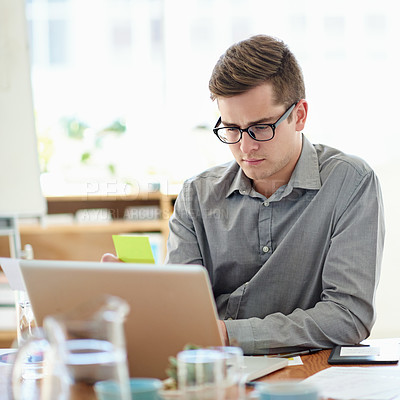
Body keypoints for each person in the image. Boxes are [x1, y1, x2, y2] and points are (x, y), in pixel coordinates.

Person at [104, 35, 385, 355]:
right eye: (231, 128)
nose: (245, 147)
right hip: (215, 372)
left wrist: (227, 334)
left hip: (310, 375)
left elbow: (349, 317)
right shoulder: (197, 195)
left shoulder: (349, 183)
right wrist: (143, 296)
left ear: (300, 115)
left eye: (261, 128)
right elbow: (183, 312)